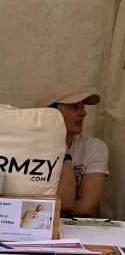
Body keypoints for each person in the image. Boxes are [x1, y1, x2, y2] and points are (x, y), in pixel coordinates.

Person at [36, 86, 108, 217]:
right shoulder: (27, 147)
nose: (83, 113)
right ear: (50, 113)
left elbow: (87, 207)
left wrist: (41, 210)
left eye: (82, 107)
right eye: (75, 107)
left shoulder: (94, 147)